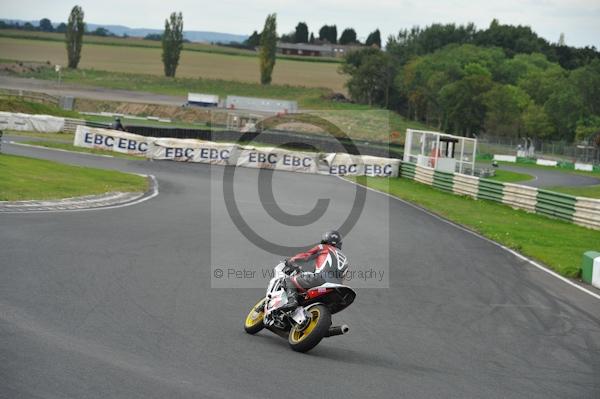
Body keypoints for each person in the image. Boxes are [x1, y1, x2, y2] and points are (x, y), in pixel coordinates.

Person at [281, 230, 349, 311]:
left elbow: (305, 256)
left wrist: (291, 260)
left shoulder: (323, 247)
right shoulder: (345, 259)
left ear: (325, 239)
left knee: (289, 280)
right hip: (337, 286)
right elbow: (343, 276)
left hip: (320, 279)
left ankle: (292, 301)